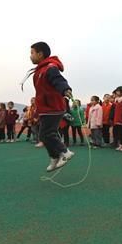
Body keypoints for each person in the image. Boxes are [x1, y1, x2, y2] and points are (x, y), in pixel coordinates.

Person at [29, 41, 75, 171]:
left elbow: (58, 79)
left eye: (32, 53)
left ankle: (65, 152)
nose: (30, 56)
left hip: (53, 107)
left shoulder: (50, 67)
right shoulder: (39, 71)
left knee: (47, 133)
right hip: (45, 108)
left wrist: (65, 89)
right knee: (44, 135)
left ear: (40, 54)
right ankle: (54, 156)